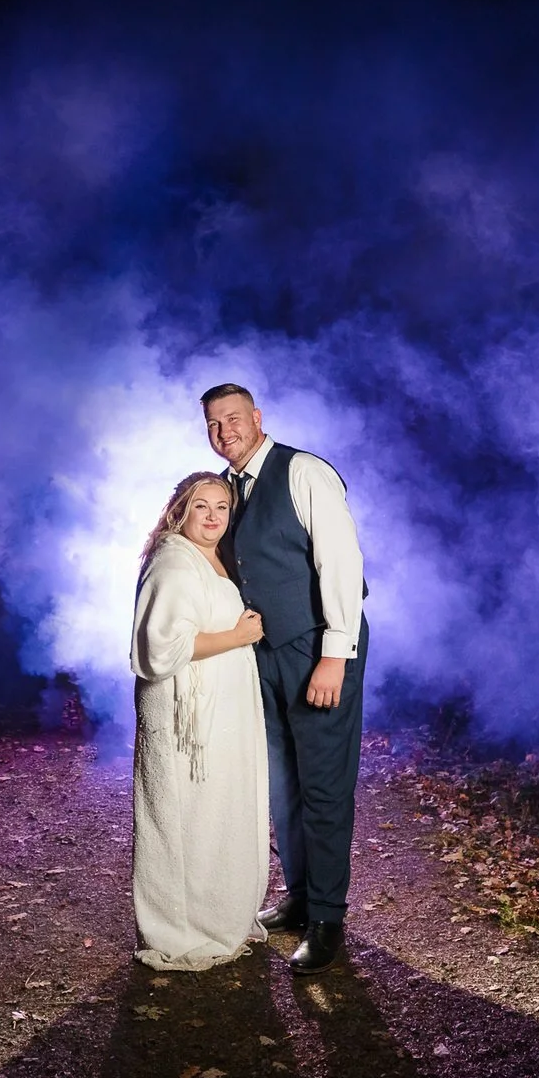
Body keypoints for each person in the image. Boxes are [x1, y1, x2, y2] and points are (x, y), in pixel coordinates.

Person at [202, 383, 368, 975]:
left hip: (316, 645)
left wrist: (334, 654)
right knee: (282, 784)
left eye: (234, 419)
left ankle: (327, 919)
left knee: (322, 784)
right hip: (264, 653)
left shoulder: (305, 472)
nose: (225, 432)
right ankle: (298, 896)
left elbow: (341, 564)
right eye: (214, 424)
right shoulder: (227, 492)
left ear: (257, 418)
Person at [130, 471, 272, 970]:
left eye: (221, 508)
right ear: (180, 511)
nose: (212, 517)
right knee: (186, 814)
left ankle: (220, 915)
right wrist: (237, 638)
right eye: (201, 507)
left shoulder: (213, 556)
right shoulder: (174, 561)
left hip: (221, 709)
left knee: (217, 812)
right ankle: (181, 927)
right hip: (185, 716)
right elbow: (159, 650)